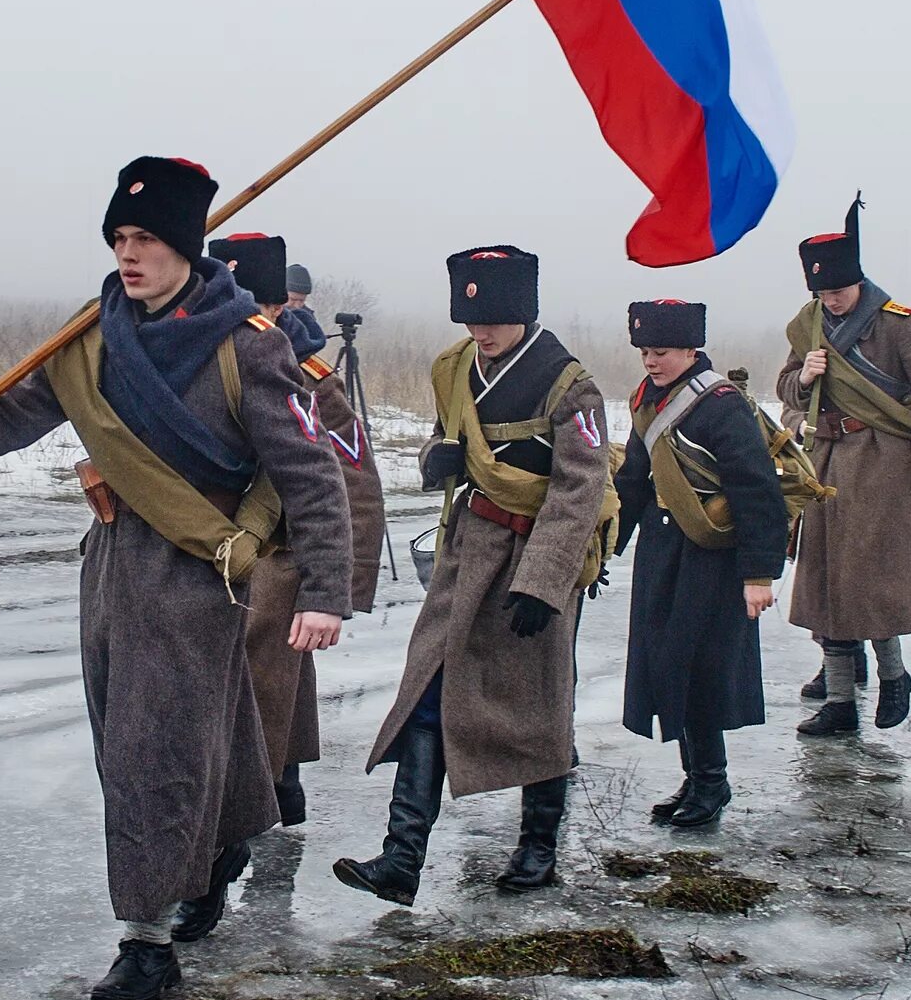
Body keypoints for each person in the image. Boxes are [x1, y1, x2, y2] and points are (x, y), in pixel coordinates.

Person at [0, 158, 354, 1000]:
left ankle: (146, 943)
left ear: (187, 248)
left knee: (147, 753)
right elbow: (2, 416)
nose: (130, 256)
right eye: (120, 239)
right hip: (111, 564)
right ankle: (218, 848)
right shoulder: (90, 337)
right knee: (165, 739)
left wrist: (325, 591)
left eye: (148, 240)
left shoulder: (247, 345)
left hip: (196, 576)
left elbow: (311, 474)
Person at [335, 247, 612, 902]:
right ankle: (401, 860)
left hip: (536, 555)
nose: (479, 333)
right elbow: (444, 433)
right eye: (470, 319)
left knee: (541, 710)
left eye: (492, 320)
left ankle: (538, 850)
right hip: (467, 550)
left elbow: (580, 487)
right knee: (428, 692)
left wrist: (544, 584)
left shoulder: (573, 385)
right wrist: (439, 458)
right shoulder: (454, 368)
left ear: (524, 312)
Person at [774, 197, 911, 732]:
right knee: (825, 581)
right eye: (821, 293)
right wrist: (802, 379)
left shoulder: (898, 325)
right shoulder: (810, 324)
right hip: (826, 460)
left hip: (882, 463)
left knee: (869, 583)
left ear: (858, 282)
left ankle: (893, 677)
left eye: (838, 292)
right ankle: (841, 702)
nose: (831, 301)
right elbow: (786, 387)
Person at [207, 232, 386, 829]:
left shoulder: (308, 377)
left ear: (281, 307)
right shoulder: (201, 360)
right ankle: (279, 786)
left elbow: (352, 476)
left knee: (266, 684)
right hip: (206, 550)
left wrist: (341, 588)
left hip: (277, 558)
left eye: (261, 308)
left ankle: (261, 799)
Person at [611, 300, 794, 819]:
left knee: (702, 670)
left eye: (661, 351)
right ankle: (696, 781)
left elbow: (757, 491)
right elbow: (632, 480)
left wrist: (759, 574)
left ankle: (712, 784)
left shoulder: (721, 403)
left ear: (692, 349)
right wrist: (606, 546)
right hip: (663, 552)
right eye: (644, 351)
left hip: (712, 556)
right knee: (670, 666)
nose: (650, 360)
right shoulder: (647, 400)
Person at [276, 260, 330, 359]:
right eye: (292, 299)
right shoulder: (268, 312)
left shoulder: (308, 319)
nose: (297, 305)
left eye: (301, 301)